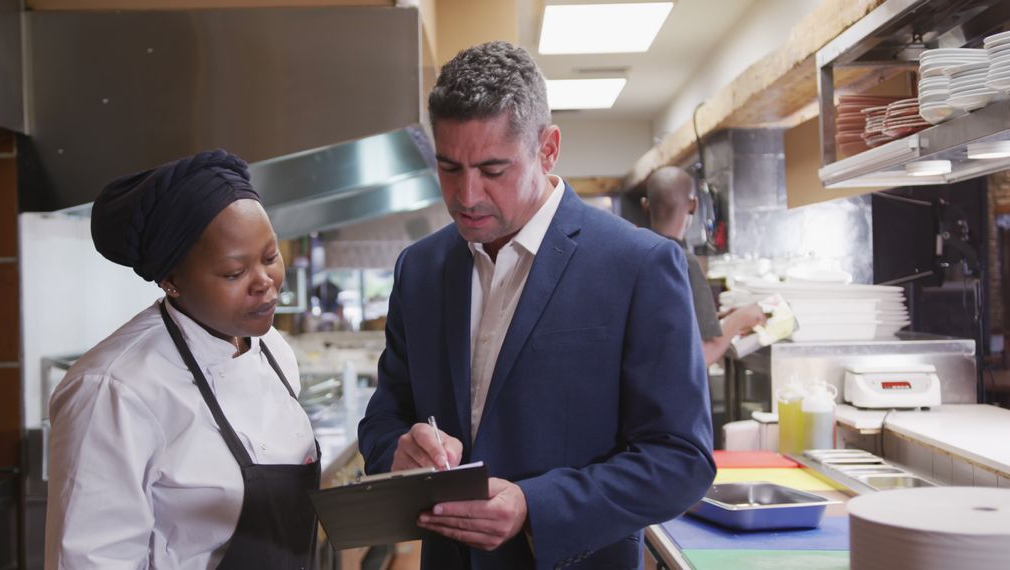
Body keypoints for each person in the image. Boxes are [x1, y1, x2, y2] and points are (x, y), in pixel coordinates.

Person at [357, 41, 715, 569]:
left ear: (548, 148)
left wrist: (534, 506)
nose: (467, 195)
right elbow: (385, 415)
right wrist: (398, 450)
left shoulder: (639, 265)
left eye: (493, 170)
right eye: (449, 168)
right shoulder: (420, 269)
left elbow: (681, 460)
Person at [45, 150, 320, 569]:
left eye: (269, 257)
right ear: (172, 280)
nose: (265, 283)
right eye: (234, 272)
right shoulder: (116, 390)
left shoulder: (274, 353)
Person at [641, 166, 767, 365]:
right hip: (676, 394)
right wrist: (742, 318)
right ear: (693, 205)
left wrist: (714, 318)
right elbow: (701, 355)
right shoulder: (682, 262)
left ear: (645, 205)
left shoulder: (636, 256)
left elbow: (666, 327)